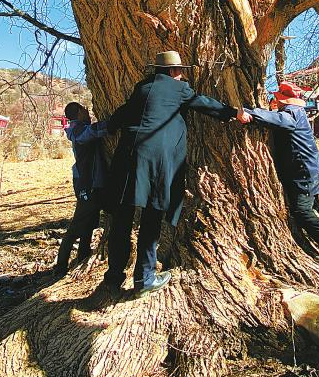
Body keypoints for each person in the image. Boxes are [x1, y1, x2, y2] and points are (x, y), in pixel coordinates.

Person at [103, 50, 249, 297]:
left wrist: (108, 126)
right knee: (151, 216)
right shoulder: (179, 88)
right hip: (156, 161)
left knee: (122, 218)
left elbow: (123, 113)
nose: (181, 75)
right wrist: (234, 112)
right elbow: (203, 102)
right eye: (180, 71)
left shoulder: (142, 88)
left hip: (127, 158)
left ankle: (113, 278)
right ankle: (144, 279)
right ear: (173, 71)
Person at [243, 81, 319, 269]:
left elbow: (278, 120)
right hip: (309, 170)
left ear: (284, 101)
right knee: (314, 211)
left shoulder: (292, 113)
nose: (276, 102)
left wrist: (248, 113)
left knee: (303, 212)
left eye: (278, 99)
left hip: (304, 173)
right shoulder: (296, 112)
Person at [52, 101, 108, 280]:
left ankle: (82, 256)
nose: (87, 111)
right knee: (77, 225)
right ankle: (60, 268)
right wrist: (114, 122)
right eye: (84, 109)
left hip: (93, 183)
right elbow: (93, 132)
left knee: (89, 223)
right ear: (78, 113)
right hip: (87, 184)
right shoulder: (78, 131)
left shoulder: (79, 128)